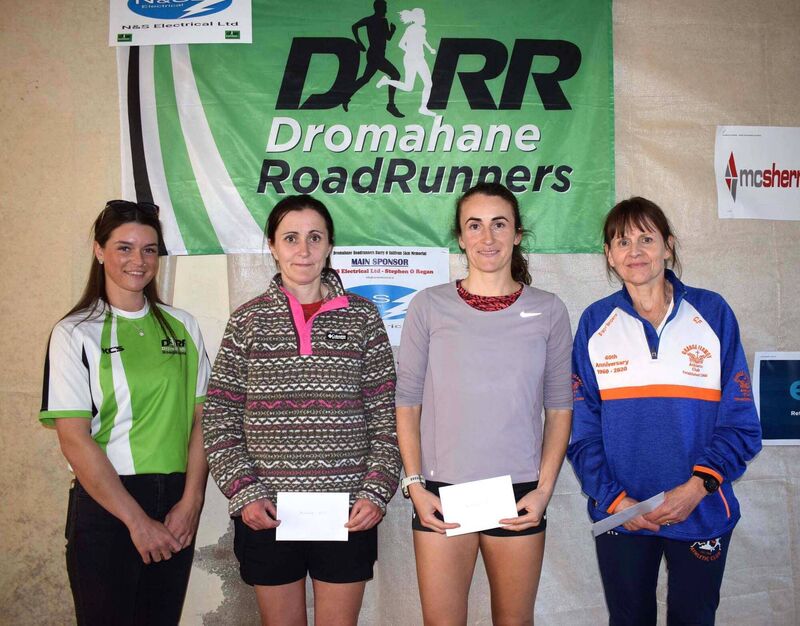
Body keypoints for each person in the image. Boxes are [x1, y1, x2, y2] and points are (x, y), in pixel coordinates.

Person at [202, 195, 400, 626]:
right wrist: (243, 491)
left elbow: (387, 414)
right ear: (272, 245)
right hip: (268, 511)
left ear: (330, 245)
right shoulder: (247, 321)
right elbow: (219, 416)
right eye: (291, 238)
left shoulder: (363, 318)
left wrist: (376, 490)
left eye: (315, 237)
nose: (304, 250)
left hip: (347, 511)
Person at [568, 197, 762, 625]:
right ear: (609, 255)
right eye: (622, 241)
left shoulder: (712, 313)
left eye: (646, 238)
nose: (634, 251)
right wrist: (617, 499)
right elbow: (581, 431)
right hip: (622, 513)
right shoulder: (594, 323)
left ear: (668, 246)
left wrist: (697, 487)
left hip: (702, 508)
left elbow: (742, 424)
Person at [395, 182, 573, 624]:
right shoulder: (429, 305)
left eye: (499, 225)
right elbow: (407, 403)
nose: (487, 237)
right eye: (474, 226)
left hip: (518, 496)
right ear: (460, 236)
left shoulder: (549, 310)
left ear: (517, 234)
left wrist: (544, 490)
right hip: (440, 494)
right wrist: (414, 485)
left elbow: (560, 408)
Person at [39, 200, 210, 626]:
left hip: (175, 503)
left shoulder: (183, 325)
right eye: (125, 248)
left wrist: (192, 501)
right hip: (108, 506)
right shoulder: (74, 332)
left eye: (150, 249)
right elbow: (73, 438)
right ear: (99, 251)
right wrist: (136, 521)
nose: (139, 260)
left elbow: (205, 421)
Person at [376, 8, 437, 117]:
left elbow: (423, 40)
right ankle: (386, 81)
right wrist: (411, 51)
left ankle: (423, 108)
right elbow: (401, 44)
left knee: (429, 84)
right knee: (409, 88)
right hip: (410, 60)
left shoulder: (423, 30)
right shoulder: (410, 29)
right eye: (423, 16)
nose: (424, 18)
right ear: (417, 18)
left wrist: (430, 48)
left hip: (421, 59)